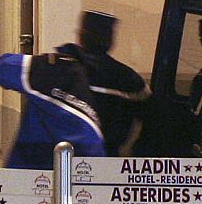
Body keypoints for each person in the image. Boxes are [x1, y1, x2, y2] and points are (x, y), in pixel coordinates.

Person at [56, 10, 151, 156]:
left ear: (81, 36)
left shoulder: (59, 69)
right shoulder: (128, 78)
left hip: (66, 156)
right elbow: (152, 117)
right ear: (109, 39)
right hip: (109, 158)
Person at [0, 51, 105, 170]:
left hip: (33, 165)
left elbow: (1, 68)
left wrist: (38, 60)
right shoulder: (99, 76)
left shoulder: (51, 70)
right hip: (89, 163)